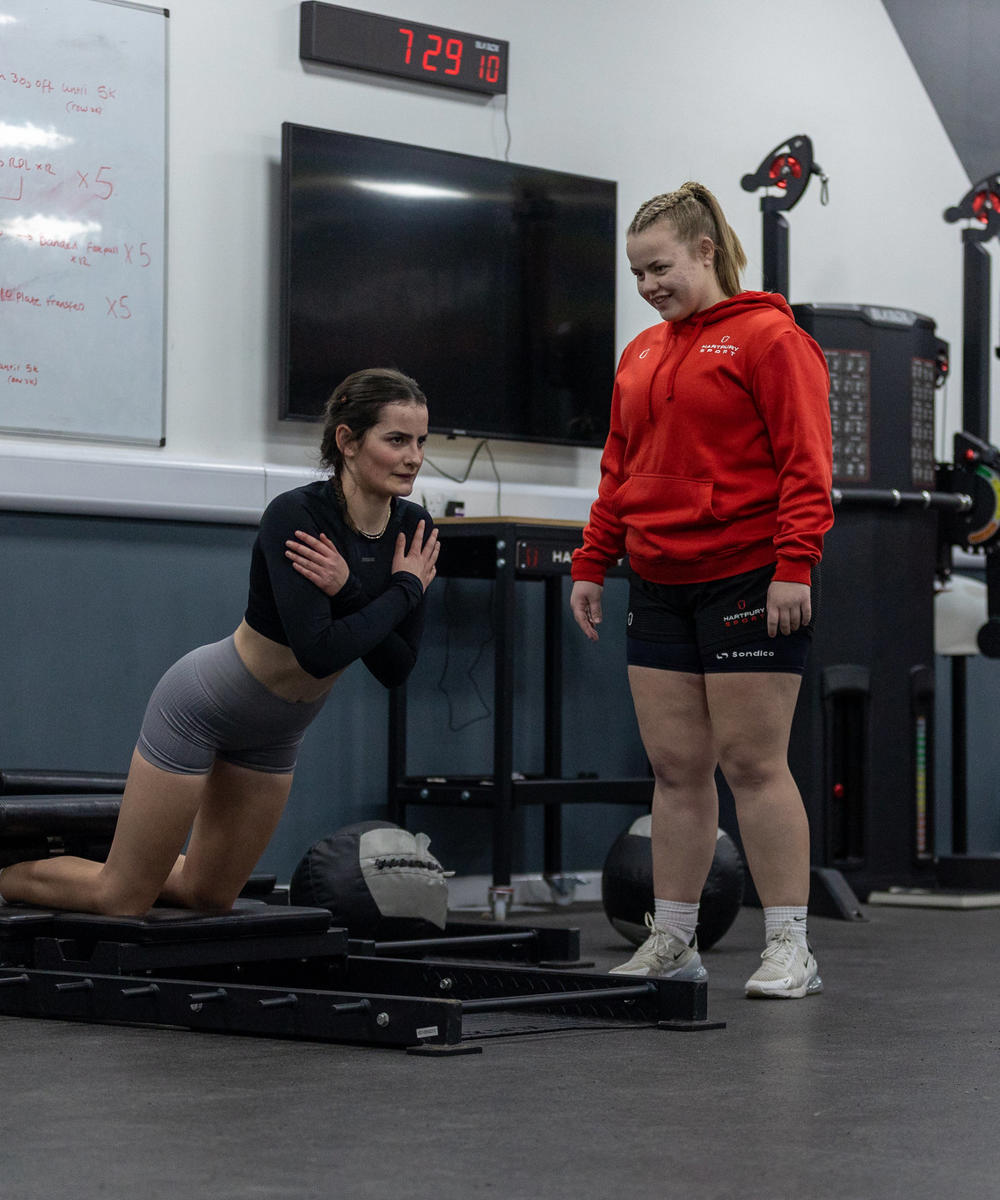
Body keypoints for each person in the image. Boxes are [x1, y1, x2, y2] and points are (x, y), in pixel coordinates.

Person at [0, 368, 440, 917]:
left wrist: (351, 588)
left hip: (278, 732)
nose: (414, 457)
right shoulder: (297, 516)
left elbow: (395, 667)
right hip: (203, 707)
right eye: (395, 440)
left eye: (421, 440)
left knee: (210, 896)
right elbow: (320, 651)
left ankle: (127, 864)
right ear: (348, 442)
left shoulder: (414, 529)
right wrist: (403, 589)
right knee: (122, 897)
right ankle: (8, 875)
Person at [570, 182, 833, 999]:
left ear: (704, 252)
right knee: (677, 766)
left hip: (750, 573)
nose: (649, 285)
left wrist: (795, 564)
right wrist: (592, 561)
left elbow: (807, 464)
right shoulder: (642, 354)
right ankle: (672, 940)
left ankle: (790, 946)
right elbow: (619, 467)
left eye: (660, 267)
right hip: (658, 576)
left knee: (752, 762)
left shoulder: (769, 339)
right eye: (638, 273)